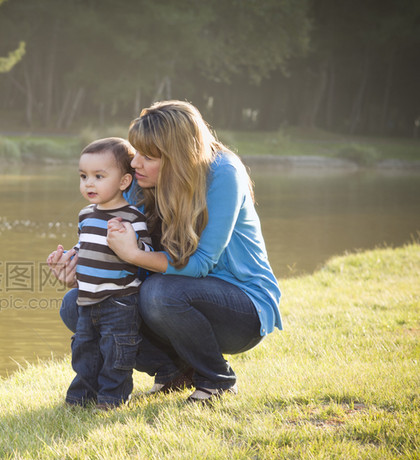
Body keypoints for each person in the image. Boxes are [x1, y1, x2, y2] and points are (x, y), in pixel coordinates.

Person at [48, 101, 281, 403]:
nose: (134, 163)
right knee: (76, 306)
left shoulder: (223, 173)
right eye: (135, 153)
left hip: (241, 307)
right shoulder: (139, 182)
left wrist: (134, 255)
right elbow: (122, 256)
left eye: (148, 156)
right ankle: (173, 371)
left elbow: (198, 265)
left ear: (178, 157)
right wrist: (79, 272)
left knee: (159, 294)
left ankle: (217, 379)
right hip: (172, 295)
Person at [57, 137, 153, 409]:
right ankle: (80, 397)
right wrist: (67, 258)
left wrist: (132, 241)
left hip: (120, 299)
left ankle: (112, 398)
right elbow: (84, 245)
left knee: (116, 350)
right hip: (87, 298)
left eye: (99, 176)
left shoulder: (132, 217)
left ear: (124, 182)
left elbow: (145, 251)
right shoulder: (86, 215)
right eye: (83, 176)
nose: (89, 183)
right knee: (84, 349)